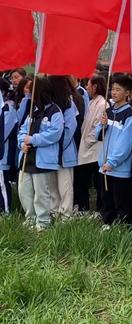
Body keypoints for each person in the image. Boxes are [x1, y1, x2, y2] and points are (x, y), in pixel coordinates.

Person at [17, 77, 64, 231]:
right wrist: (22, 143)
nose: (30, 95)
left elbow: (55, 133)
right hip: (27, 157)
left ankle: (43, 222)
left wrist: (33, 139)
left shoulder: (54, 111)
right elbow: (23, 130)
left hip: (43, 159)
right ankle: (30, 218)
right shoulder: (33, 110)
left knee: (41, 193)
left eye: (33, 92)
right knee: (24, 191)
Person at [96, 74, 132, 228]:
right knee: (106, 198)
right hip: (104, 164)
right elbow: (98, 135)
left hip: (118, 167)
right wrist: (102, 125)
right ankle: (107, 223)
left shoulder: (129, 114)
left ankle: (122, 228)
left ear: (127, 93)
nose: (114, 92)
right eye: (112, 89)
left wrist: (112, 161)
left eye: (118, 90)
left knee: (121, 200)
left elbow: (125, 143)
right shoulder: (109, 110)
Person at [49, 76, 79, 220]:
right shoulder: (50, 105)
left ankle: (66, 215)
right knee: (52, 184)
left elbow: (70, 127)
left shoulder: (68, 104)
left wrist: (58, 145)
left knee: (65, 185)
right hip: (52, 151)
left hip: (64, 152)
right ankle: (54, 211)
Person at [76, 75, 106, 214]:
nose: (87, 87)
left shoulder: (102, 104)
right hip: (87, 148)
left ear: (95, 86)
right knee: (83, 181)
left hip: (94, 149)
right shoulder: (92, 102)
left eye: (88, 85)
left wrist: (88, 141)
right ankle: (84, 208)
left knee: (95, 182)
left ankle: (97, 210)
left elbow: (97, 127)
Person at [0, 78, 17, 213]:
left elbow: (4, 132)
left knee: (3, 183)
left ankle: (6, 212)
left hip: (4, 154)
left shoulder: (8, 109)